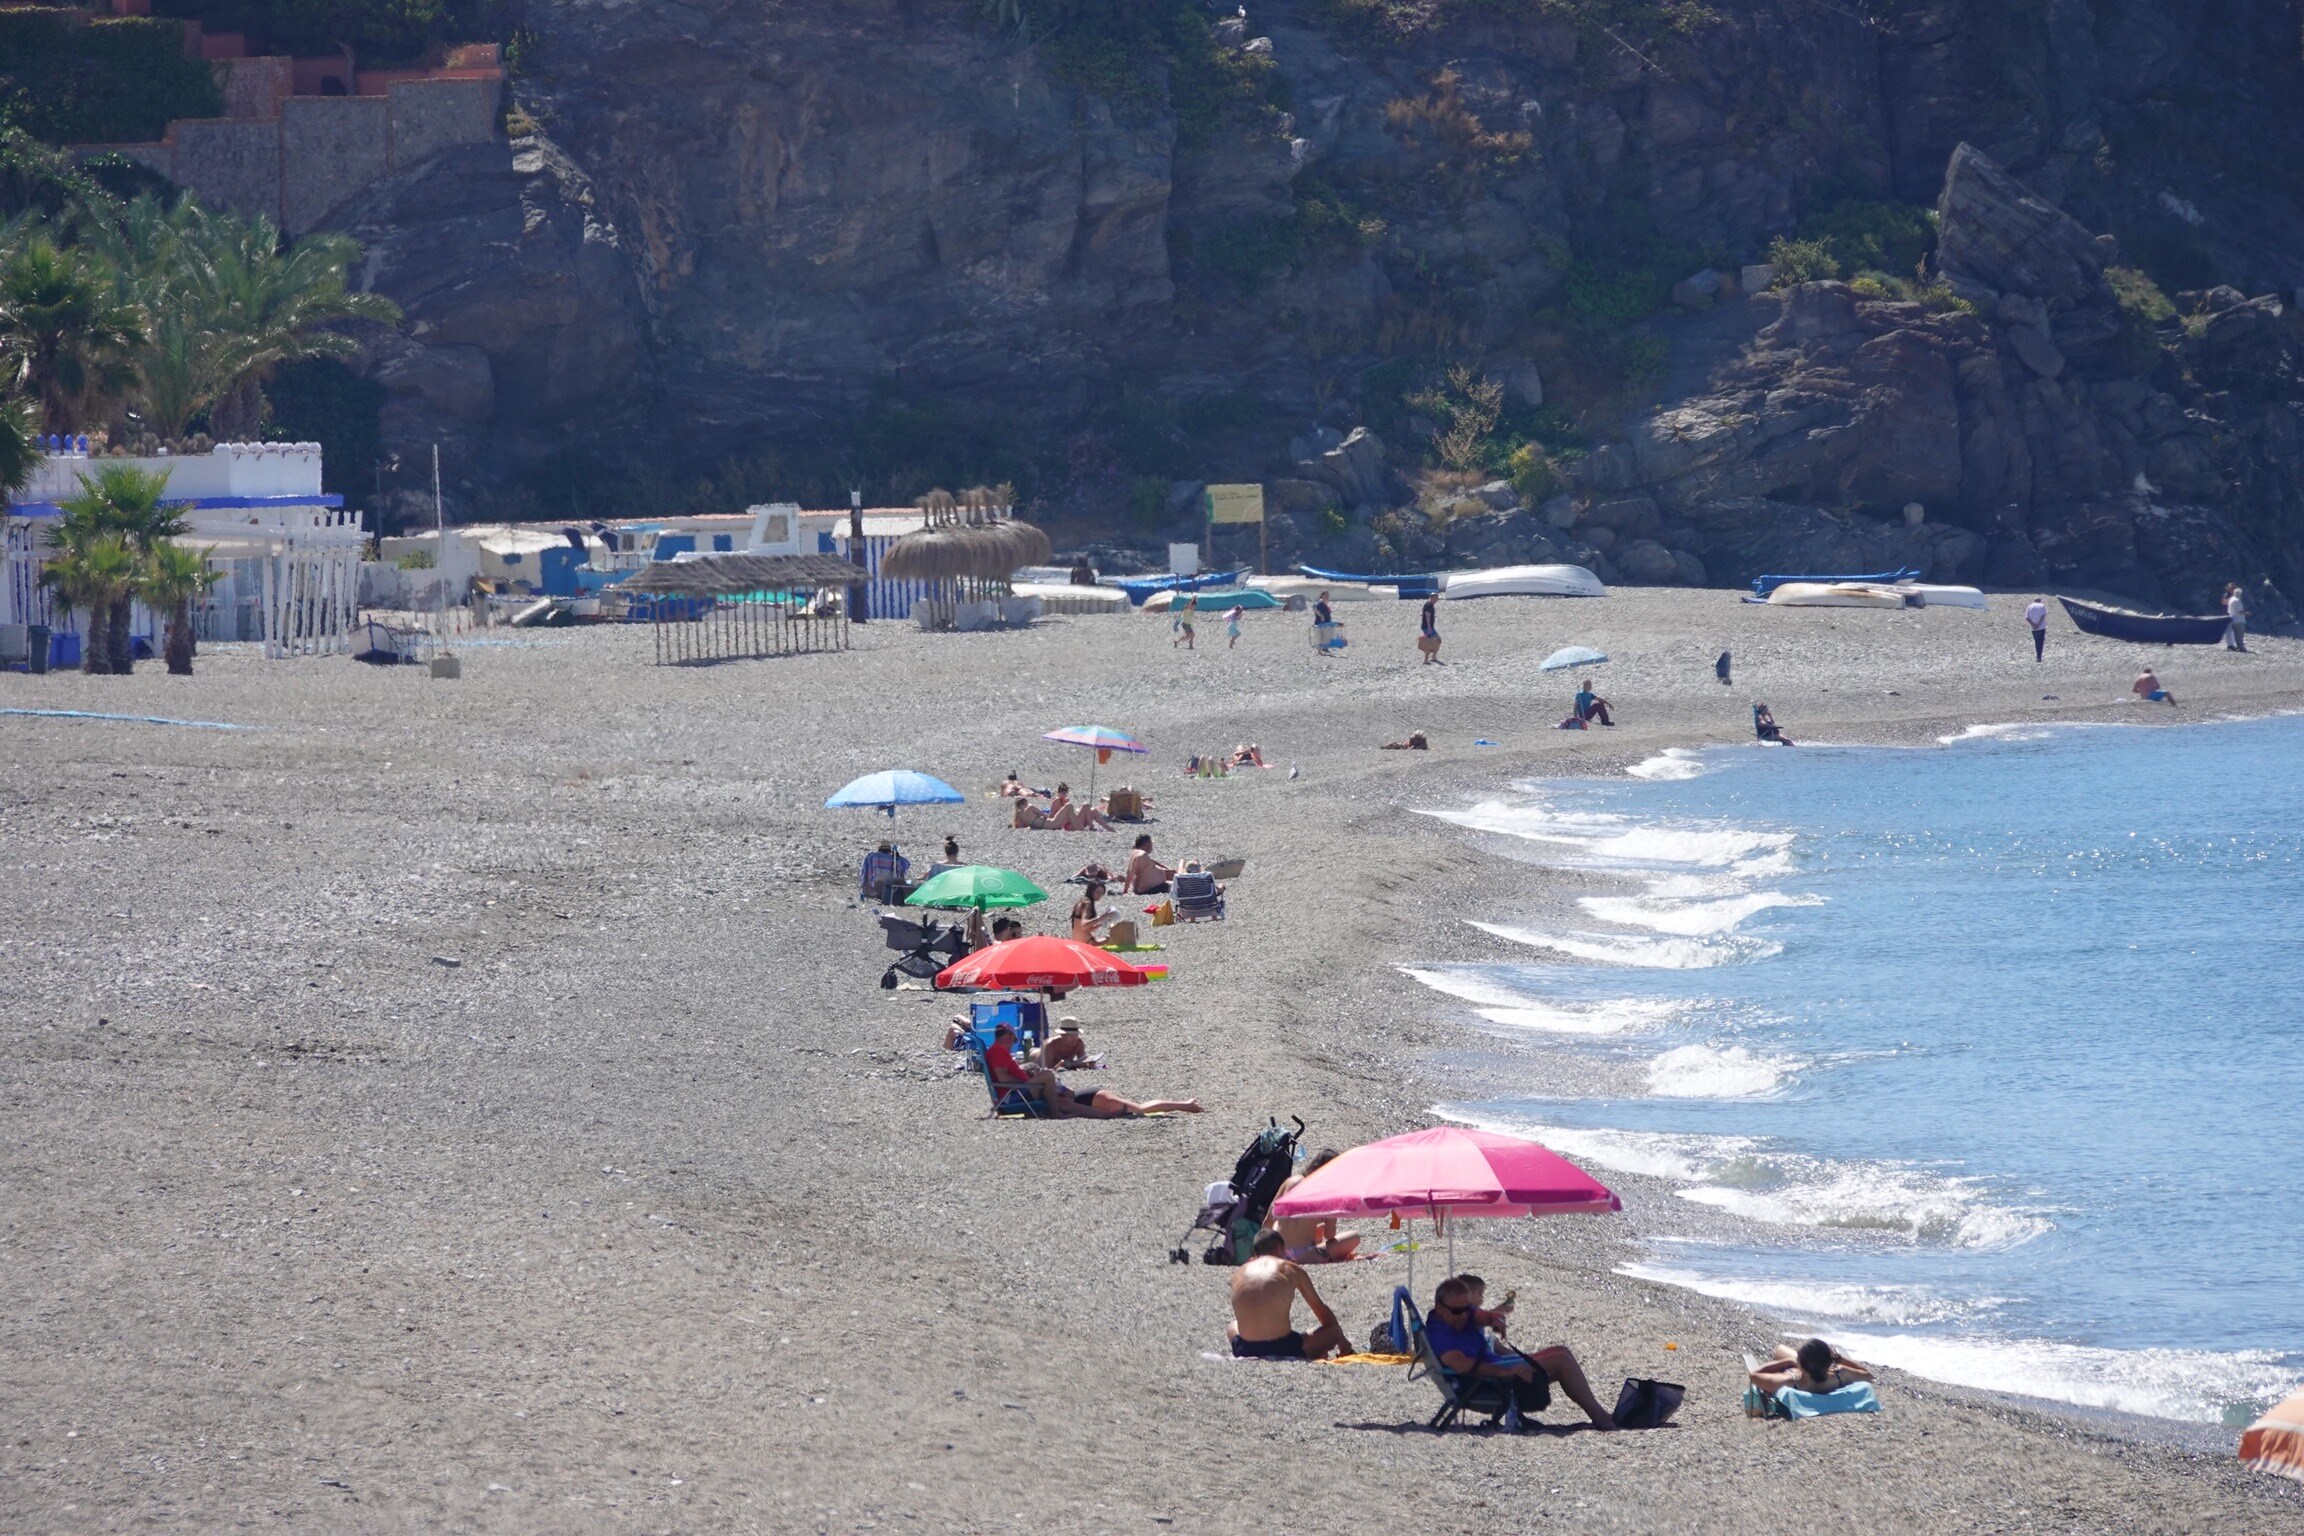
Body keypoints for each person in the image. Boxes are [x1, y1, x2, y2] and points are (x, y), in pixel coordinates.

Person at [1426, 1275, 1617, 1430]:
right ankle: (1602, 1419)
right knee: (1561, 1360)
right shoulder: (1441, 1334)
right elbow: (1463, 1366)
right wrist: (1507, 1372)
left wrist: (1493, 1319)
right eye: (1458, 1311)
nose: (1465, 1315)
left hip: (1495, 1368)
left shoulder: (1454, 1314)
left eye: (1467, 1309)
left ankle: (1601, 1416)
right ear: (1439, 1308)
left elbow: (1479, 1316)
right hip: (1489, 1381)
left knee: (1562, 1351)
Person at [1227, 1230, 1347, 1360]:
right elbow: (1321, 1310)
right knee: (1334, 1332)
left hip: (1245, 1349)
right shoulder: (1290, 1268)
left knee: (1232, 1325)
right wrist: (1343, 1344)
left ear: (1256, 1253)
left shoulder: (1238, 1274)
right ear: (1279, 1248)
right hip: (1283, 1348)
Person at [1263, 1149, 1361, 1264]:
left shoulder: (1291, 1181)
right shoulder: (1327, 1195)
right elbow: (1330, 1236)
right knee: (1355, 1237)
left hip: (1277, 1252)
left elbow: (1267, 1221)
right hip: (1304, 1255)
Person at [1749, 1338, 1874, 1396]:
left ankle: (1793, 1356)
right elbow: (1868, 1375)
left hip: (1803, 1375)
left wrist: (1788, 1362)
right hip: (1816, 1372)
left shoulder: (1790, 1381)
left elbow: (1754, 1375)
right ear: (1828, 1362)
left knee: (1780, 1350)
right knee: (1790, 1352)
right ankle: (1810, 1357)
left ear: (1801, 1365)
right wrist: (1837, 1358)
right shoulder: (1841, 1375)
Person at [1419, 593, 1442, 665]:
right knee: (1436, 640)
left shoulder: (1429, 604)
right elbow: (1427, 616)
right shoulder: (1429, 605)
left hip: (1428, 626)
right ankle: (1427, 659)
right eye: (1436, 598)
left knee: (1432, 641)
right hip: (1427, 627)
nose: (1437, 600)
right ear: (1432, 598)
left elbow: (1425, 614)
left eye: (1437, 598)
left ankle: (1433, 657)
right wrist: (1429, 627)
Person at [2025, 596, 2049, 662]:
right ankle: (2039, 657)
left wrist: (2033, 625)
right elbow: (2043, 616)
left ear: (2034, 601)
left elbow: (2027, 617)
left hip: (2033, 628)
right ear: (2040, 601)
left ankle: (2037, 657)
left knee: (2036, 641)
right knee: (2040, 642)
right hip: (2041, 627)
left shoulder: (2029, 607)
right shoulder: (2042, 605)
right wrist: (2038, 624)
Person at [2226, 583, 2248, 652]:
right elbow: (2240, 611)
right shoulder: (2237, 600)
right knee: (2239, 635)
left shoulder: (2231, 600)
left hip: (2233, 619)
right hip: (2239, 620)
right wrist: (2246, 613)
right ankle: (2241, 648)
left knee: (2234, 635)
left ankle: (2232, 646)